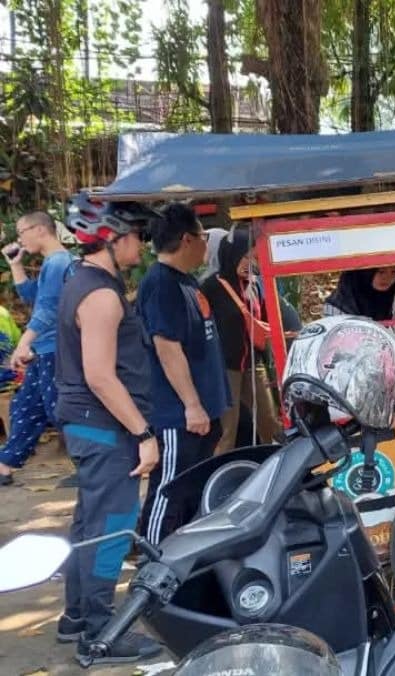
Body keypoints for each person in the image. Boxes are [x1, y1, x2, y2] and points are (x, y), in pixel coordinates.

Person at [56, 196, 162, 664]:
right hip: (107, 429)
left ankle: (77, 617)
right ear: (112, 238)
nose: (142, 243)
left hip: (89, 427)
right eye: (137, 234)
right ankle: (101, 633)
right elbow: (100, 375)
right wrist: (143, 433)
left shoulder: (85, 282)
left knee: (89, 525)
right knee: (112, 529)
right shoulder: (100, 295)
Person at [136, 203, 231, 545]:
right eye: (204, 236)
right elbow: (167, 347)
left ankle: (180, 556)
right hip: (178, 415)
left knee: (191, 487)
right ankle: (152, 557)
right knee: (170, 488)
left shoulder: (184, 281)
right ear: (188, 239)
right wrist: (191, 404)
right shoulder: (161, 284)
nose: (207, 243)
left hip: (202, 411)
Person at [0, 211, 73, 486]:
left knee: (60, 409)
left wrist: (23, 343)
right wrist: (16, 265)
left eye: (22, 232)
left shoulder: (58, 262)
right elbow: (33, 297)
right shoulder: (51, 263)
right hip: (45, 349)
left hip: (55, 349)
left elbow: (48, 310)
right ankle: (5, 465)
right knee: (27, 406)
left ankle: (91, 463)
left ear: (41, 230)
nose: (19, 239)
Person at [200, 228, 281, 454]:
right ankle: (216, 478)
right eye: (245, 257)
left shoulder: (253, 285)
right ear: (232, 254)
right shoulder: (211, 287)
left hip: (253, 364)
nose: (249, 263)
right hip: (226, 367)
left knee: (270, 421)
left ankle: (280, 471)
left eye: (254, 258)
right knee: (228, 429)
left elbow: (264, 320)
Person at [324, 266, 395, 357]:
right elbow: (336, 352)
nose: (387, 277)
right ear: (365, 272)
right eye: (381, 272)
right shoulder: (337, 307)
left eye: (394, 272)